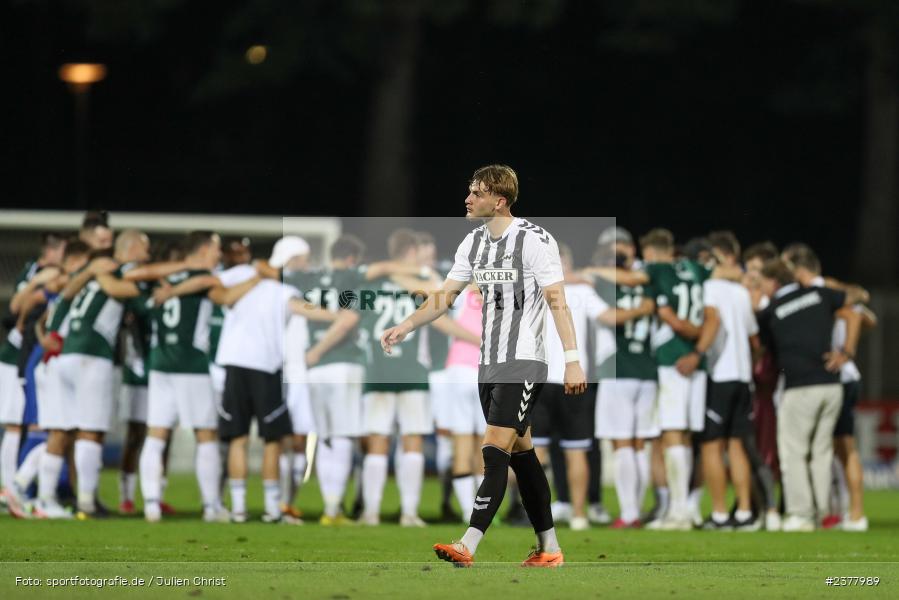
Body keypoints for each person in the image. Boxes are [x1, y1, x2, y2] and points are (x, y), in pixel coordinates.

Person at [381, 165, 586, 567]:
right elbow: (444, 296)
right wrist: (405, 325)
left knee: (493, 448)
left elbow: (558, 301)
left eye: (476, 192)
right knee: (522, 454)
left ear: (500, 200)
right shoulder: (473, 243)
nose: (468, 198)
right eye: (469, 191)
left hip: (524, 359)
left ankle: (467, 544)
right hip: (488, 363)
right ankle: (550, 549)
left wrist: (573, 360)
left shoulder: (533, 239)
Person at [756, 259, 863, 532]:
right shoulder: (819, 294)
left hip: (800, 387)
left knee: (793, 452)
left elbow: (762, 347)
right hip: (830, 384)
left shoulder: (771, 310)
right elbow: (854, 312)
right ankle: (821, 512)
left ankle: (801, 514)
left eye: (763, 284)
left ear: (774, 282)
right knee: (821, 452)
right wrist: (846, 353)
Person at [55, 230, 150, 518]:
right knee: (90, 429)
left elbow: (66, 295)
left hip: (68, 353)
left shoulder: (90, 271)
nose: (146, 257)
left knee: (69, 429)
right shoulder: (122, 271)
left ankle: (79, 495)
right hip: (92, 354)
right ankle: (86, 501)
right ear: (131, 249)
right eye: (143, 250)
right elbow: (129, 293)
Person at [781, 245, 876, 532]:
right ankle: (837, 511)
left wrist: (845, 352)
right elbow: (868, 314)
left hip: (838, 375)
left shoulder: (824, 290)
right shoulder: (828, 291)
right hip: (834, 377)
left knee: (843, 448)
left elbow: (857, 315)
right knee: (829, 450)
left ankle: (855, 514)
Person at [677, 232, 759, 530]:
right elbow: (754, 338)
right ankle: (745, 513)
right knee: (737, 446)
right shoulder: (739, 291)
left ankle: (721, 514)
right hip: (742, 377)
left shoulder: (708, 287)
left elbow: (713, 319)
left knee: (712, 446)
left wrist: (698, 353)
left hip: (720, 375)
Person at [531, 243, 605, 531]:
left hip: (541, 377)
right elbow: (607, 317)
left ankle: (538, 515)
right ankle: (579, 515)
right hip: (573, 377)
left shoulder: (535, 289)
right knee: (576, 450)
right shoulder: (583, 291)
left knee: (537, 452)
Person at [640, 229, 710, 530]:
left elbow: (635, 282)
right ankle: (686, 509)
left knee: (671, 434)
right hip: (698, 361)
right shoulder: (698, 270)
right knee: (686, 437)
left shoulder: (657, 269)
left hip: (672, 360)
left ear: (653, 253)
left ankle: (678, 511)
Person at [589, 242, 657, 529]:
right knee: (640, 444)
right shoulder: (648, 282)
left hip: (617, 369)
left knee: (622, 444)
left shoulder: (602, 282)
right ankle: (636, 511)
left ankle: (629, 513)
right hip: (648, 368)